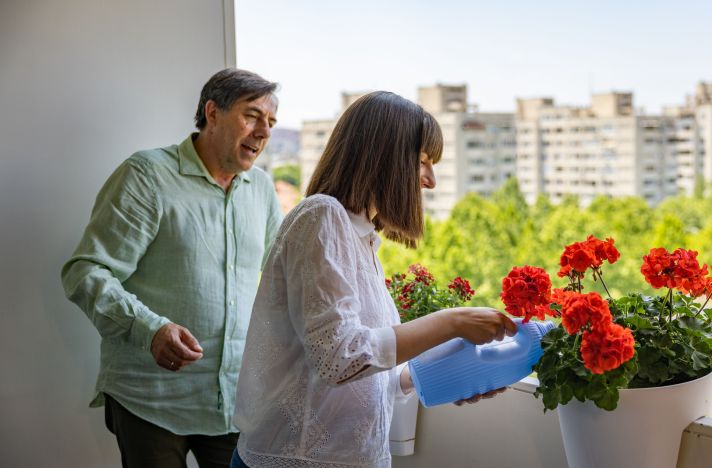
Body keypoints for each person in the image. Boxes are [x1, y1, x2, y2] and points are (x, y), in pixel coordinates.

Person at [231, 91, 517, 468]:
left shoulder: (361, 238)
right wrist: (452, 321)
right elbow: (339, 358)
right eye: (422, 162)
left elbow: (363, 375)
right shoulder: (321, 217)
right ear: (385, 157)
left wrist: (437, 375)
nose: (429, 180)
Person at [61, 68, 284, 468]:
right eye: (252, 115)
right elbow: (86, 271)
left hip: (234, 404)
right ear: (212, 113)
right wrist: (151, 329)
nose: (263, 131)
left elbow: (283, 280)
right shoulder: (147, 176)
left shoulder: (262, 190)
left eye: (270, 122)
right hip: (151, 400)